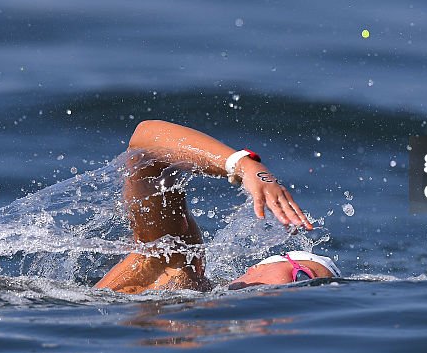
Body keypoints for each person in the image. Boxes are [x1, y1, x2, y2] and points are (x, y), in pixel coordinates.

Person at [94, 120, 340, 294]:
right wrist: (244, 165)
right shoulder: (177, 265)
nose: (294, 295)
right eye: (303, 278)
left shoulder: (208, 322)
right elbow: (145, 142)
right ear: (256, 268)